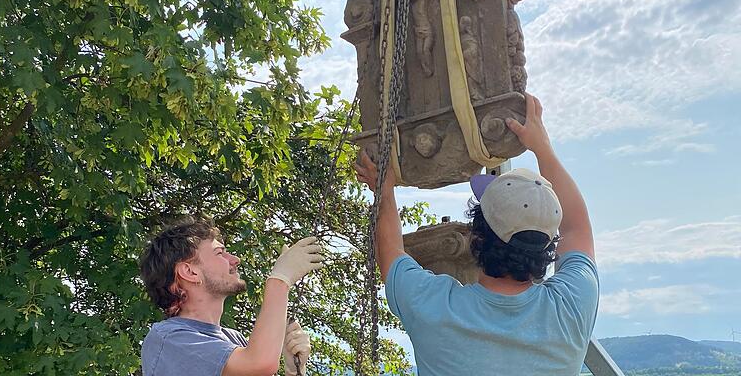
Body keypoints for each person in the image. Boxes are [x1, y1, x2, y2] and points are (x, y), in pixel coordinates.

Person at [355, 93, 599, 375]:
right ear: (547, 246)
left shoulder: (434, 308)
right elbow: (577, 228)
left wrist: (383, 190)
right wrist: (544, 149)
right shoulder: (570, 309)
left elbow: (390, 252)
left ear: (477, 238)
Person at [139, 217, 324, 376]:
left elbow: (259, 363)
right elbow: (260, 363)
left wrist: (294, 370)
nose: (235, 260)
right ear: (189, 271)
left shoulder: (233, 340)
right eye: (220, 253)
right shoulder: (168, 339)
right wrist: (280, 280)